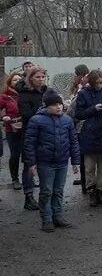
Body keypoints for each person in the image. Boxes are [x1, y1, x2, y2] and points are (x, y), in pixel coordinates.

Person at [24, 90, 81, 232]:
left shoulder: (67, 120)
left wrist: (75, 161)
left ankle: (58, 216)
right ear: (47, 106)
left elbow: (73, 141)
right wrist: (31, 163)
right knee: (46, 191)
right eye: (54, 104)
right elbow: (30, 143)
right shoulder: (36, 120)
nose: (58, 107)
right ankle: (47, 219)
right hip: (45, 162)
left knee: (58, 190)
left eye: (60, 104)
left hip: (62, 161)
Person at [75, 70, 102, 207]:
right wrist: (93, 109)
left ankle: (100, 190)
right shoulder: (83, 93)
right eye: (96, 83)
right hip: (89, 133)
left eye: (101, 82)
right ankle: (91, 191)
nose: (99, 86)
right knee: (89, 167)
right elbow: (79, 114)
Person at [16, 65, 48, 210]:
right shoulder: (24, 94)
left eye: (42, 77)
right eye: (37, 77)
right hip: (30, 134)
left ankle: (45, 195)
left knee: (45, 165)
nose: (41, 80)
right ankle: (28, 196)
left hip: (47, 134)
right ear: (31, 78)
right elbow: (26, 114)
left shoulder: (47, 92)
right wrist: (45, 111)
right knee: (29, 165)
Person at [0, 73, 23, 191]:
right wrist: (3, 117)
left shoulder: (25, 94)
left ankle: (29, 178)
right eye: (15, 80)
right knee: (15, 154)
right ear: (10, 83)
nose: (18, 81)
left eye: (19, 79)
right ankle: (15, 178)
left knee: (28, 154)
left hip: (26, 128)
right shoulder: (4, 97)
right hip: (12, 129)